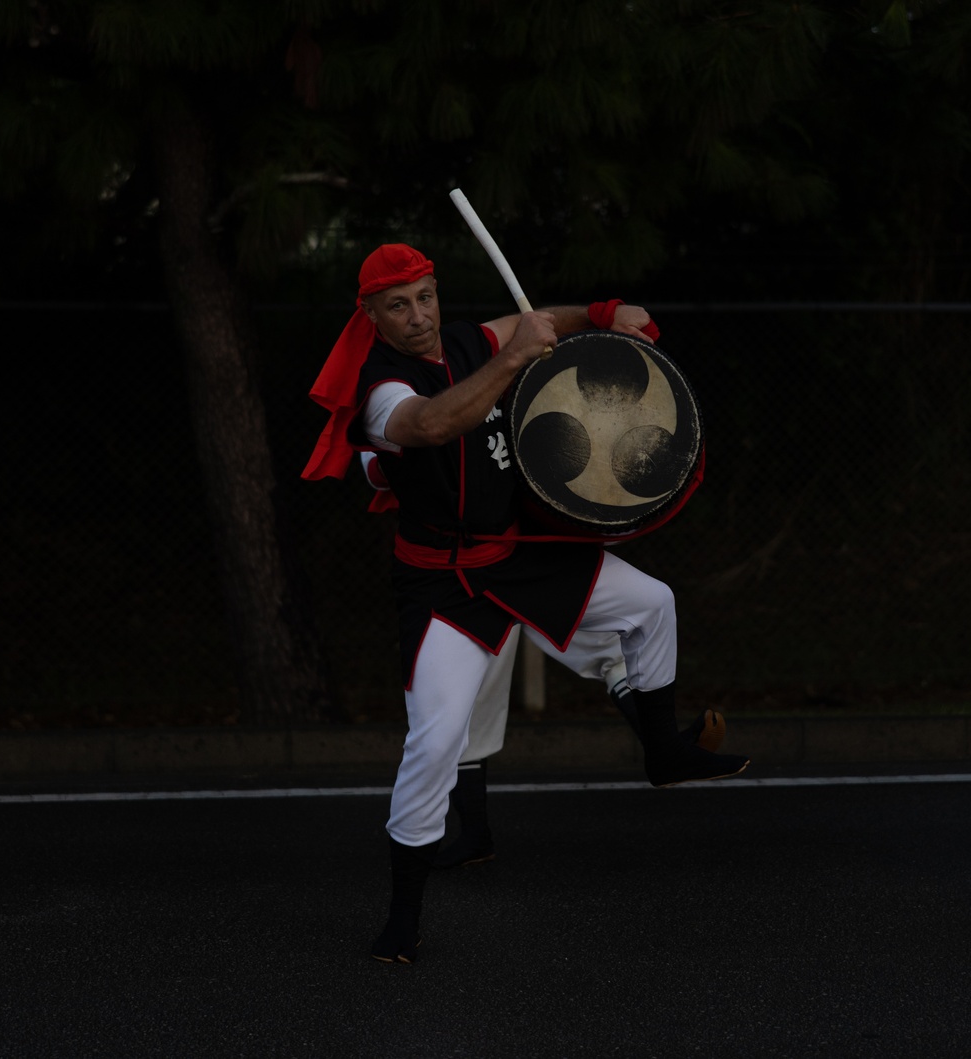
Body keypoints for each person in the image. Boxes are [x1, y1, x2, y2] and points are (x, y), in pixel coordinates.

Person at [302, 242, 749, 964]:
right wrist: (513, 358)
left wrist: (603, 312)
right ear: (371, 314)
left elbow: (543, 319)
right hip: (445, 585)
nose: (417, 316)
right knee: (437, 739)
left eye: (425, 295)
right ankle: (403, 916)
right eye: (397, 305)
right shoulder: (379, 386)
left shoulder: (461, 338)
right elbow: (430, 425)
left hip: (518, 555)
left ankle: (664, 751)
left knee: (652, 602)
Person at [360, 452, 728, 871]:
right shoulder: (409, 390)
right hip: (462, 574)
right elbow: (376, 469)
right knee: (465, 708)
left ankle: (665, 747)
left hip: (527, 550)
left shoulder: (500, 389)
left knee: (611, 643)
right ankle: (474, 834)